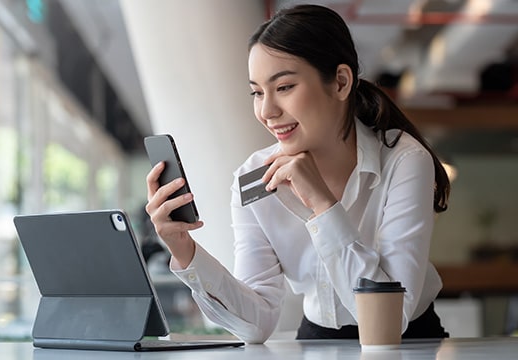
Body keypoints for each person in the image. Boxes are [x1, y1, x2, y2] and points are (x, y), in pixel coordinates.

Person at [145, 4, 450, 343]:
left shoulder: (404, 161)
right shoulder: (254, 177)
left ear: (341, 82)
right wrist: (184, 250)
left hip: (408, 342)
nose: (267, 111)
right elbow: (255, 324)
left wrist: (322, 205)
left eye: (285, 87)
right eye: (257, 92)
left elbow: (392, 318)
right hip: (317, 339)